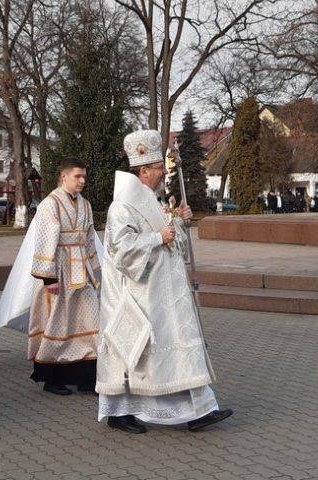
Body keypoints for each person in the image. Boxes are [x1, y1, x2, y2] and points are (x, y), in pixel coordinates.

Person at [97, 129, 232, 435]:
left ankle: (199, 410)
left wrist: (179, 221)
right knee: (135, 354)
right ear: (143, 171)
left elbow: (173, 242)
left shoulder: (154, 200)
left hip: (166, 291)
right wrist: (160, 235)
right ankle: (119, 412)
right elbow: (122, 250)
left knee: (180, 351)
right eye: (158, 168)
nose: (163, 172)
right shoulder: (122, 206)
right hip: (141, 293)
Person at [0, 158, 102, 396]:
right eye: (77, 176)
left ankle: (86, 377)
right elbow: (42, 241)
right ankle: (53, 378)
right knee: (58, 322)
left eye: (84, 176)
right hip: (59, 271)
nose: (82, 180)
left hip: (82, 270)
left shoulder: (85, 204)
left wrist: (97, 270)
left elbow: (90, 238)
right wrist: (48, 278)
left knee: (89, 321)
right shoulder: (50, 204)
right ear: (63, 177)